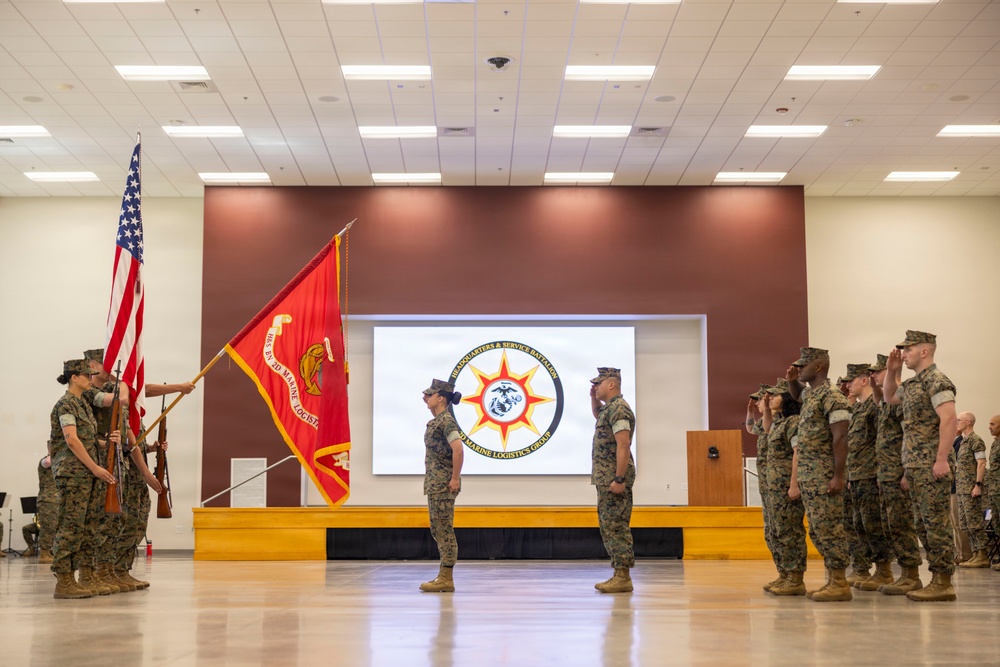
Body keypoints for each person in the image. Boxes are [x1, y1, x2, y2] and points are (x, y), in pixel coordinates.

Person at [884, 330, 959, 602]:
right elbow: (890, 397)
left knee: (935, 523)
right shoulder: (915, 384)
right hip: (915, 466)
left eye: (908, 350)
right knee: (922, 524)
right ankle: (934, 579)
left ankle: (943, 581)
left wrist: (941, 459)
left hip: (931, 465)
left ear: (924, 351)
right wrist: (892, 371)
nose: (903, 354)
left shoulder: (937, 381)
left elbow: (949, 420)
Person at [786, 347, 852, 602]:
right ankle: (832, 579)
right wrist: (793, 380)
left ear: (820, 367)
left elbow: (841, 438)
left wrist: (838, 476)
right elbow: (798, 395)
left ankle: (839, 582)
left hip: (825, 474)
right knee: (818, 529)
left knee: (830, 528)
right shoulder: (814, 395)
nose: (800, 368)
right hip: (810, 476)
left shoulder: (833, 396)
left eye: (804, 365)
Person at [49, 359, 119, 599]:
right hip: (73, 473)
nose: (92, 379)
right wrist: (95, 468)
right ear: (73, 377)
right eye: (87, 375)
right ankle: (64, 581)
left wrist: (108, 442)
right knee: (70, 525)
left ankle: (86, 576)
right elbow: (72, 440)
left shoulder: (83, 405)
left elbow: (87, 439)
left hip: (86, 473)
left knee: (88, 525)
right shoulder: (66, 404)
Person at [868, 354, 923, 595]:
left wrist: (904, 473)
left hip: (897, 474)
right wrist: (875, 387)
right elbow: (881, 398)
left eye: (876, 372)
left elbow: (906, 436)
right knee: (891, 526)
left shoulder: (901, 400)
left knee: (902, 525)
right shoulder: (885, 402)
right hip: (885, 474)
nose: (873, 376)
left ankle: (912, 575)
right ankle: (901, 573)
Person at [844, 363, 894, 591]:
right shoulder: (857, 410)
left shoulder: (873, 409)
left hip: (870, 474)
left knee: (874, 524)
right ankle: (865, 568)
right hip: (856, 475)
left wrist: (878, 471)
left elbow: (879, 442)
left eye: (851, 381)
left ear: (864, 381)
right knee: (860, 525)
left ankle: (884, 571)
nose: (847, 385)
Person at [590, 367, 636, 594]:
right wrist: (592, 399)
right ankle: (619, 573)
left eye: (598, 384)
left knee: (616, 525)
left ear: (611, 385)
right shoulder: (610, 409)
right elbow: (599, 415)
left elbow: (624, 444)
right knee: (609, 525)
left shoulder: (619, 410)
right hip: (606, 477)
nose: (595, 387)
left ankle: (623, 577)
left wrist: (619, 478)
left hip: (613, 478)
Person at [761, 379, 807, 596]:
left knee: (790, 531)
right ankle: (785, 575)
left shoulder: (794, 422)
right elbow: (767, 428)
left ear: (788, 399)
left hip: (786, 486)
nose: (771, 398)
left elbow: (798, 452)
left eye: (776, 395)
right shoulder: (779, 422)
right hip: (774, 487)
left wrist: (794, 484)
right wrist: (766, 409)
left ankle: (796, 578)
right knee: (778, 530)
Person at [419, 379, 464, 593]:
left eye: (431, 395)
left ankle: (447, 577)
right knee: (437, 527)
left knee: (444, 529)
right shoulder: (438, 420)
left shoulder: (447, 421)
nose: (427, 398)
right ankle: (442, 575)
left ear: (441, 398)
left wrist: (454, 478)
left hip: (444, 484)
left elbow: (458, 450)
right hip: (436, 484)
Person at [746, 383, 779, 591]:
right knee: (771, 529)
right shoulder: (765, 422)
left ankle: (790, 574)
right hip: (767, 481)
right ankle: (782, 573)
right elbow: (750, 428)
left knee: (780, 527)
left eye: (760, 400)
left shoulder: (781, 421)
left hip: (778, 480)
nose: (758, 403)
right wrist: (750, 410)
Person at [955, 412, 990, 568]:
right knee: (965, 524)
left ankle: (982, 555)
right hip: (961, 489)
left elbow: (981, 463)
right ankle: (975, 554)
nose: (956, 422)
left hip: (971, 488)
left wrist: (978, 485)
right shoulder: (963, 441)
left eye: (959, 420)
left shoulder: (975, 440)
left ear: (968, 422)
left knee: (975, 522)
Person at [985, 415, 1000, 571]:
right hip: (994, 490)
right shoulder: (995, 443)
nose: (990, 427)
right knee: (996, 523)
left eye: (993, 424)